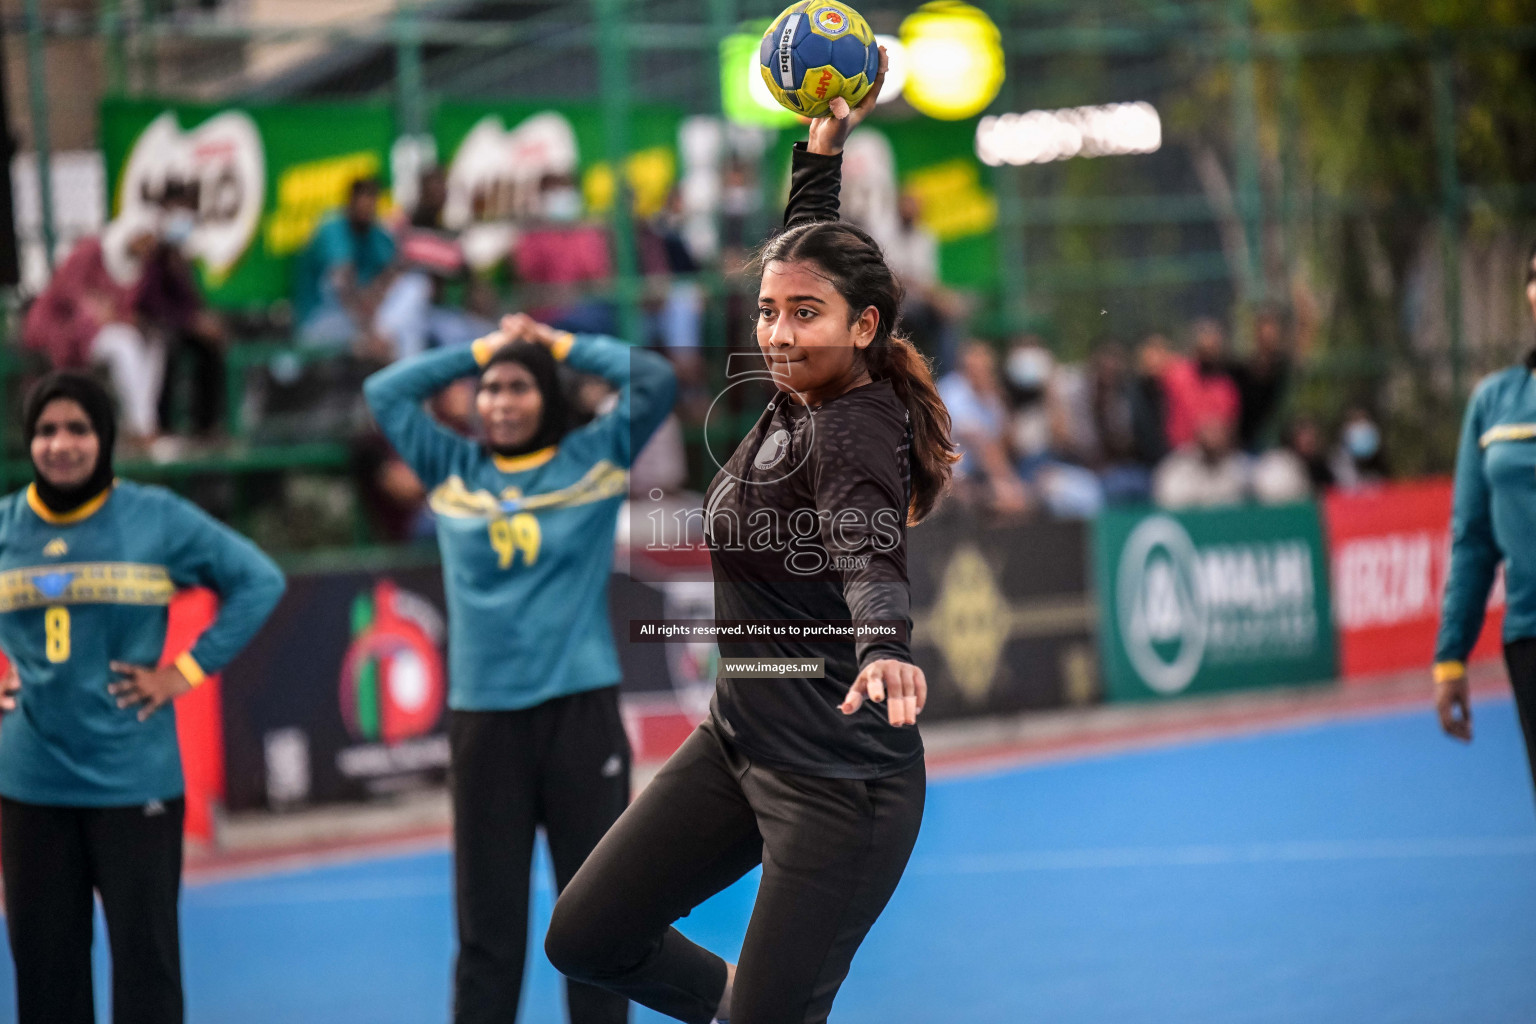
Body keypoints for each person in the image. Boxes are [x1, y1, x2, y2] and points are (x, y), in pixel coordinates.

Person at [544, 51, 959, 1024]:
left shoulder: (855, 424)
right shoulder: (796, 392)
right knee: (589, 937)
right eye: (768, 312)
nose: (775, 332)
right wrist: (820, 156)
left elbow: (865, 543)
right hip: (740, 742)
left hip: (839, 783)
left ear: (863, 328)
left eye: (801, 316)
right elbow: (802, 254)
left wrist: (886, 644)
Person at [362, 312, 677, 1024]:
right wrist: (483, 347)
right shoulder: (452, 468)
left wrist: (555, 342)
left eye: (518, 387)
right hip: (486, 725)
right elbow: (386, 391)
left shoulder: (593, 458)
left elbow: (652, 377)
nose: (501, 401)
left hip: (581, 717)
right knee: (487, 934)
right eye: (490, 389)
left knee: (599, 922)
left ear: (547, 395)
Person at [0, 371, 285, 1024]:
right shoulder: (7, 524)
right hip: (31, 785)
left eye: (78, 429)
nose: (61, 444)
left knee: (147, 973)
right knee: (43, 976)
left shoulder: (156, 517)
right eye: (46, 430)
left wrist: (183, 672)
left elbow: (258, 580)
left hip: (134, 785)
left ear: (105, 438)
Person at [1433, 242, 1536, 787]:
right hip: (1530, 639)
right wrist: (1451, 657)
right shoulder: (1496, 402)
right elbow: (1473, 542)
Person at [23, 210, 166, 445]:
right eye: (144, 240)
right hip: (65, 332)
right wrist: (94, 313)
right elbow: (66, 292)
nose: (147, 249)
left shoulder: (136, 268)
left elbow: (122, 309)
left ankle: (142, 424)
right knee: (125, 344)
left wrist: (119, 317)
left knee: (153, 342)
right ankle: (142, 427)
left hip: (100, 332)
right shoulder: (91, 250)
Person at [293, 177, 398, 357]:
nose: (366, 211)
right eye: (362, 206)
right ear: (350, 203)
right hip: (319, 320)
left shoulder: (376, 234)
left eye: (371, 206)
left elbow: (392, 273)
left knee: (412, 289)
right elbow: (343, 287)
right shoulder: (332, 230)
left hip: (360, 321)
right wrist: (370, 333)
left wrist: (376, 295)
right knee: (374, 345)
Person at [1152, 416, 1249, 509]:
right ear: (1197, 434)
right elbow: (1168, 501)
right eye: (1209, 431)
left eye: (1218, 431)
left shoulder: (1242, 466)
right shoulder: (1176, 467)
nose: (1214, 437)